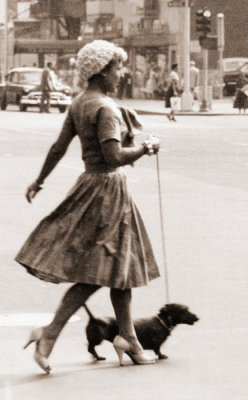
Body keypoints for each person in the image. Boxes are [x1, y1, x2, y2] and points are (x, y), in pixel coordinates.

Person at [15, 40, 161, 373]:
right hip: (109, 192)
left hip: (89, 186)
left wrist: (39, 181)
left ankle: (129, 339)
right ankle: (50, 334)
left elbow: (58, 148)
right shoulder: (106, 108)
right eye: (117, 68)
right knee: (100, 271)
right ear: (101, 71)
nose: (121, 74)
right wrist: (147, 148)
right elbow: (114, 157)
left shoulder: (80, 103)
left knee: (120, 269)